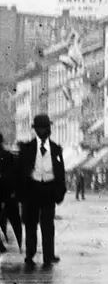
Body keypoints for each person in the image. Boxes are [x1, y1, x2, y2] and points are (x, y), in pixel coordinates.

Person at [17, 114, 67, 269]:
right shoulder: (27, 148)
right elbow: (20, 172)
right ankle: (30, 255)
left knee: (48, 225)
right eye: (40, 128)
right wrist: (21, 194)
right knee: (31, 225)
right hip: (32, 190)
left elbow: (60, 172)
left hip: (49, 190)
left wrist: (60, 192)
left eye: (45, 128)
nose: (43, 131)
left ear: (49, 129)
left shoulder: (56, 149)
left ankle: (48, 256)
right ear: (36, 130)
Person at [0, 133, 20, 254]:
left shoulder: (7, 156)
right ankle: (20, 245)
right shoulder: (9, 156)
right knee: (13, 220)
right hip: (8, 194)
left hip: (6, 193)